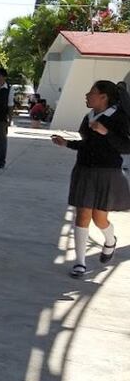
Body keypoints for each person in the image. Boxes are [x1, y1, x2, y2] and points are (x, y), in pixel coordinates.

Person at [52, 80, 130, 277]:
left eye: (91, 92)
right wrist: (67, 143)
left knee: (99, 218)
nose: (87, 95)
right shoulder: (88, 117)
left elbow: (126, 147)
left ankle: (110, 241)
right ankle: (80, 263)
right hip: (84, 170)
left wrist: (106, 132)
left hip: (107, 173)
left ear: (104, 97)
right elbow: (86, 145)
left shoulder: (119, 118)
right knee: (83, 215)